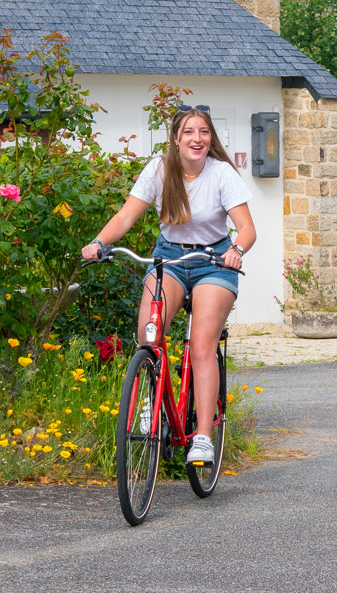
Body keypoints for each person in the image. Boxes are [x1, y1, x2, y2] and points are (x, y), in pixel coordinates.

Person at [81, 105, 254, 463]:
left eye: (203, 132)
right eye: (189, 132)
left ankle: (203, 436)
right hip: (170, 259)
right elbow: (126, 215)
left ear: (211, 138)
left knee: (202, 346)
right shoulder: (159, 170)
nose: (197, 138)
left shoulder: (221, 174)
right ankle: (149, 406)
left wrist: (237, 249)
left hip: (214, 262)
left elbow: (248, 229)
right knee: (149, 334)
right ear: (176, 139)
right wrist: (99, 242)